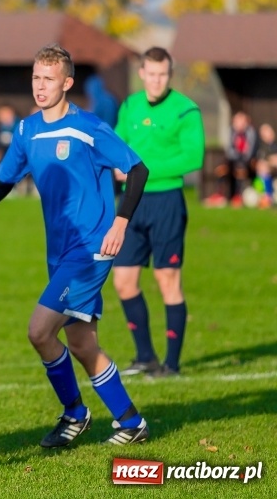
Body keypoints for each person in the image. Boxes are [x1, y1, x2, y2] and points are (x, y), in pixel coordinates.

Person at [0, 43, 151, 447]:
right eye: (35, 77)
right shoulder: (27, 129)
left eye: (48, 79)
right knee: (83, 343)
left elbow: (137, 169)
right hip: (60, 250)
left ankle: (75, 412)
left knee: (39, 331)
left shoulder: (88, 126)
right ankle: (130, 421)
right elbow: (3, 181)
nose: (40, 86)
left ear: (66, 83)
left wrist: (120, 221)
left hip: (90, 248)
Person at [112, 47, 205, 378]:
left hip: (167, 201)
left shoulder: (186, 110)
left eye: (162, 74)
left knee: (168, 281)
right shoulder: (130, 105)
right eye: (151, 74)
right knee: (123, 281)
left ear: (170, 74)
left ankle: (172, 364)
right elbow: (117, 144)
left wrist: (142, 168)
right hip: (130, 204)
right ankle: (145, 356)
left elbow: (193, 157)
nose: (156, 80)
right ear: (141, 73)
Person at [205, 111, 256, 208]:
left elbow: (249, 152)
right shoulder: (230, 132)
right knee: (221, 169)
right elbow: (229, 150)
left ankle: (238, 196)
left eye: (241, 121)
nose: (239, 124)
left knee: (240, 169)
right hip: (232, 160)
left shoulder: (250, 132)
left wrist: (241, 158)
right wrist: (236, 156)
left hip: (246, 162)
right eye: (237, 121)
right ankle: (220, 195)